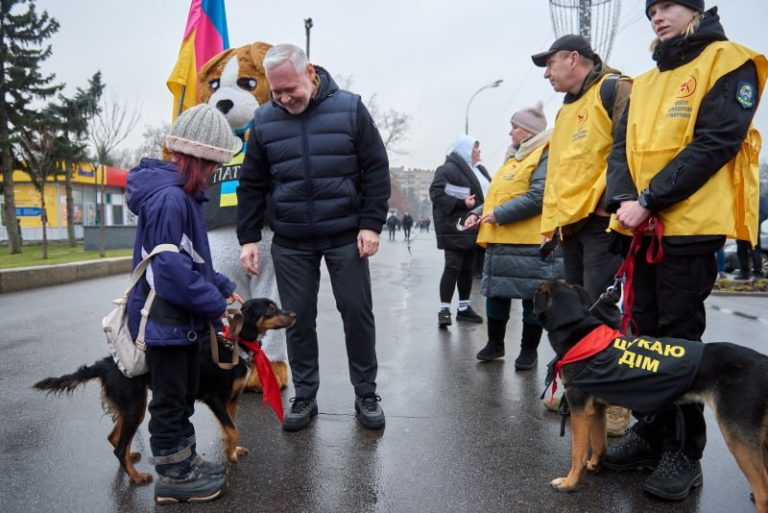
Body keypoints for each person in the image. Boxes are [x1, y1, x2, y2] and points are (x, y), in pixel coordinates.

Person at [604, 0, 766, 501]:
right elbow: (619, 150)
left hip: (690, 224)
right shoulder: (642, 83)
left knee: (677, 338)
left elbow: (717, 139)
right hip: (641, 224)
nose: (657, 14)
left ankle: (683, 451)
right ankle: (651, 433)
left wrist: (652, 199)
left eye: (670, 5)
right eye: (651, 8)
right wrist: (627, 200)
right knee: (643, 334)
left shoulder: (728, 59)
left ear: (696, 9)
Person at [236, 43, 390, 432]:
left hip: (345, 234)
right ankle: (305, 395)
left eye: (291, 89)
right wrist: (249, 238)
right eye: (277, 92)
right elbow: (252, 184)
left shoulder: (350, 109)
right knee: (297, 320)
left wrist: (371, 224)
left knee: (356, 313)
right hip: (291, 239)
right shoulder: (264, 121)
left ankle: (366, 393)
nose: (285, 98)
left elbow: (375, 168)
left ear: (310, 74)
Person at [125, 104, 242, 503]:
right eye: (212, 164)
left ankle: (186, 460)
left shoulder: (183, 198)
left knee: (184, 391)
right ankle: (174, 477)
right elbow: (169, 272)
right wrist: (215, 304)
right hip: (165, 322)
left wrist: (221, 284)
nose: (213, 173)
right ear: (198, 158)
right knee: (171, 400)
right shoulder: (171, 201)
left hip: (180, 321)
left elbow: (192, 259)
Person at [531, 34, 633, 436]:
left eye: (550, 62)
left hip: (602, 222)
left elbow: (628, 148)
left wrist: (616, 199)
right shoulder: (566, 110)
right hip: (571, 226)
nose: (546, 72)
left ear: (575, 59)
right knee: (574, 315)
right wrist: (551, 226)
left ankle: (617, 404)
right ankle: (582, 392)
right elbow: (561, 174)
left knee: (604, 314)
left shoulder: (614, 90)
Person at [464, 101, 563, 368]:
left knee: (533, 297)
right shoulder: (514, 156)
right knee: (496, 293)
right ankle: (495, 344)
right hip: (501, 238)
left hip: (530, 240)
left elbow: (538, 195)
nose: (510, 133)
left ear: (528, 132)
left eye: (514, 128)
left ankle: (528, 351)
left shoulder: (544, 153)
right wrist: (480, 211)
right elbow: (499, 196)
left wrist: (500, 214)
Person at [429, 134, 491, 327]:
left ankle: (463, 308)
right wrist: (461, 202)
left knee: (468, 269)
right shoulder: (447, 169)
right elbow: (437, 193)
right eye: (475, 148)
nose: (479, 151)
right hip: (455, 226)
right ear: (465, 149)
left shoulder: (480, 170)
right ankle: (444, 310)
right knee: (453, 267)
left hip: (475, 225)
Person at [735, 193, 767, 280]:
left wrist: (754, 222)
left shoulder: (759, 195)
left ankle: (758, 273)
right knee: (741, 250)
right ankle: (744, 273)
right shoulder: (740, 193)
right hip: (740, 226)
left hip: (752, 226)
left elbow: (765, 211)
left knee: (754, 249)